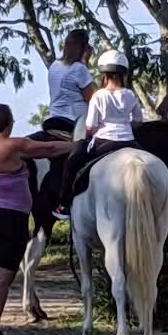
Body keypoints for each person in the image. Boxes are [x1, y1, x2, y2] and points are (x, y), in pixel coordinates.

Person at [0, 104, 74, 335]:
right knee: (2, 280)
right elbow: (47, 148)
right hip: (9, 219)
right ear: (9, 123)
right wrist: (77, 145)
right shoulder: (13, 146)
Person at [53, 49, 144, 219]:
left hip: (104, 142)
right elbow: (138, 119)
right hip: (129, 142)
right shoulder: (130, 94)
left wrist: (87, 136)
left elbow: (90, 125)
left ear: (104, 74)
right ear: (123, 73)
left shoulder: (98, 96)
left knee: (72, 163)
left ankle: (63, 205)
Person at [39, 29, 96, 139]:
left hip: (55, 116)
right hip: (75, 120)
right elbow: (92, 101)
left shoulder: (55, 65)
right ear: (83, 48)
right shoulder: (79, 69)